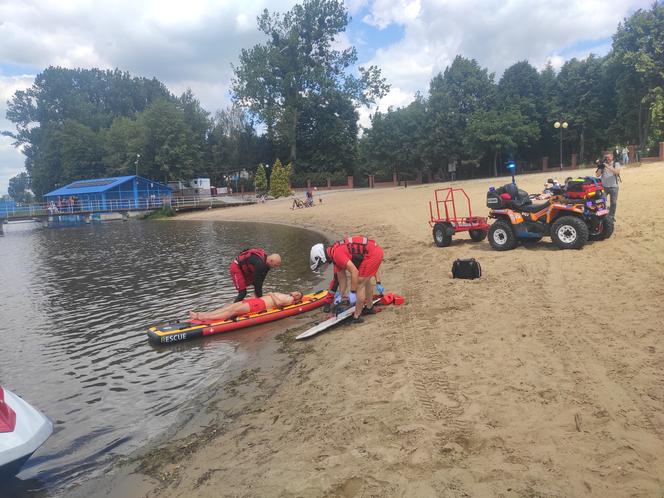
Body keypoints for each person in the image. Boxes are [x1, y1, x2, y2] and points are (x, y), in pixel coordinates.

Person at [310, 236, 384, 323]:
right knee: (365, 281)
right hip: (373, 252)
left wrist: (352, 292)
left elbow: (354, 272)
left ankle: (357, 316)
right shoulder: (334, 254)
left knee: (360, 284)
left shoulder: (337, 255)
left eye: (322, 263)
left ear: (321, 257)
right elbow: (342, 280)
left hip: (374, 253)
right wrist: (340, 296)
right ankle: (369, 307)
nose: (324, 264)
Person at [190, 291, 303, 322]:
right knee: (229, 306)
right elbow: (272, 298)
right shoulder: (286, 294)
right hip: (256, 301)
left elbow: (278, 304)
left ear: (297, 298)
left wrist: (272, 294)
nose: (296, 293)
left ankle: (204, 317)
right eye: (297, 292)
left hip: (259, 305)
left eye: (298, 295)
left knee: (233, 310)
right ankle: (202, 314)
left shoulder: (290, 299)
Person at [596, 153, 621, 219]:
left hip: (614, 187)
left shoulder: (616, 164)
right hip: (604, 187)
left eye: (608, 157)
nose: (607, 159)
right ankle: (602, 215)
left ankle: (611, 216)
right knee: (601, 201)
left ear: (612, 157)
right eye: (606, 157)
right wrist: (600, 167)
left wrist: (607, 166)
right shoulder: (603, 165)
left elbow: (617, 172)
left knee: (613, 203)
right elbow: (597, 175)